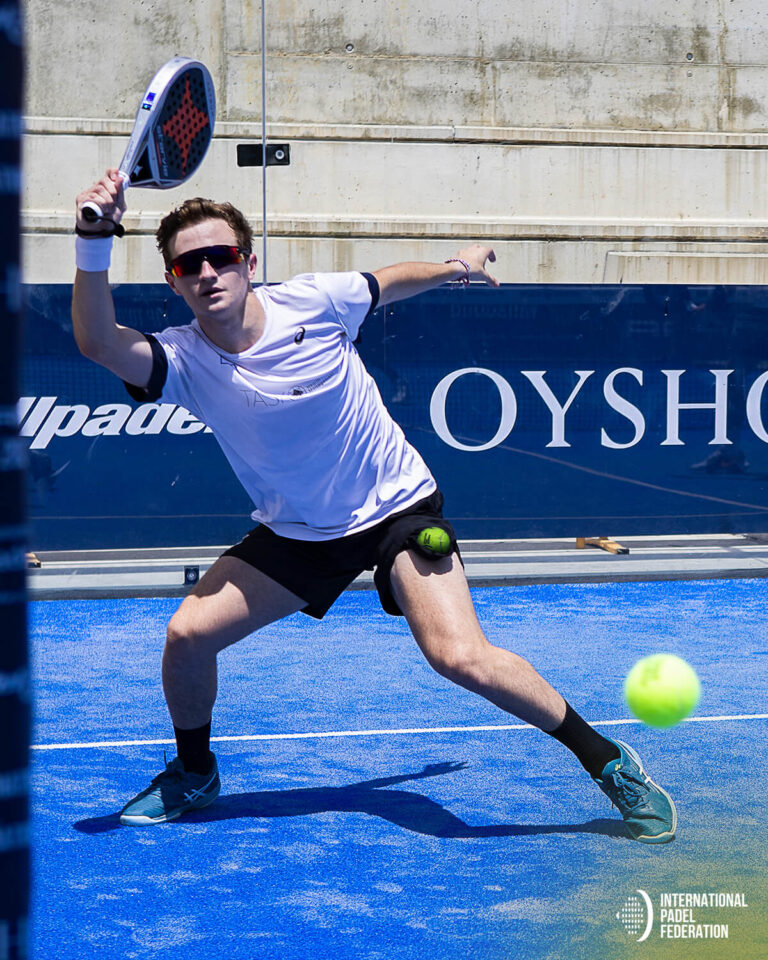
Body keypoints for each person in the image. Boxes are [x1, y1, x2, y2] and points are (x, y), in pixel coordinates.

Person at [72, 169, 676, 843]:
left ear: (249, 262)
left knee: (459, 657)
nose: (209, 272)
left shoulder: (315, 302)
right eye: (191, 264)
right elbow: (98, 342)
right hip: (299, 532)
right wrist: (94, 238)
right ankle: (194, 773)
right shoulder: (181, 359)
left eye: (222, 256)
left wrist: (456, 268)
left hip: (396, 508)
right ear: (173, 281)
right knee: (187, 636)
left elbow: (389, 281)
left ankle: (607, 761)